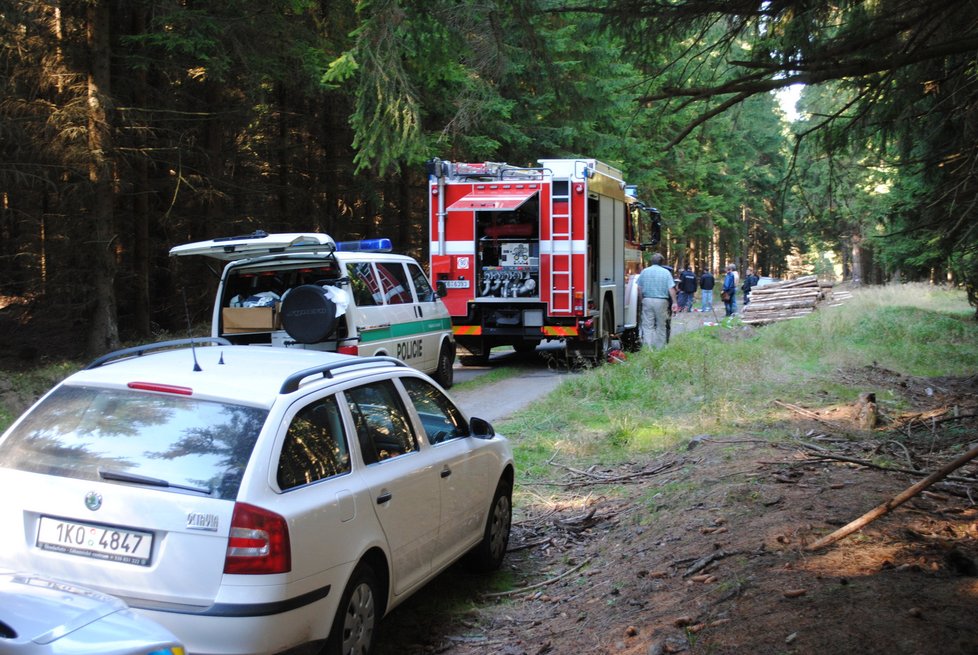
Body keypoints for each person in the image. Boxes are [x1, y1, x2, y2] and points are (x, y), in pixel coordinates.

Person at [636, 253, 679, 349]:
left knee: (647, 326)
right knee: (661, 325)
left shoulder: (644, 272)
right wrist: (674, 302)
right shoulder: (666, 272)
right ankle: (660, 348)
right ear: (662, 262)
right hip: (661, 301)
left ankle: (648, 348)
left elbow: (639, 287)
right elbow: (671, 289)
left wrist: (641, 299)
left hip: (647, 299)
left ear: (652, 261)